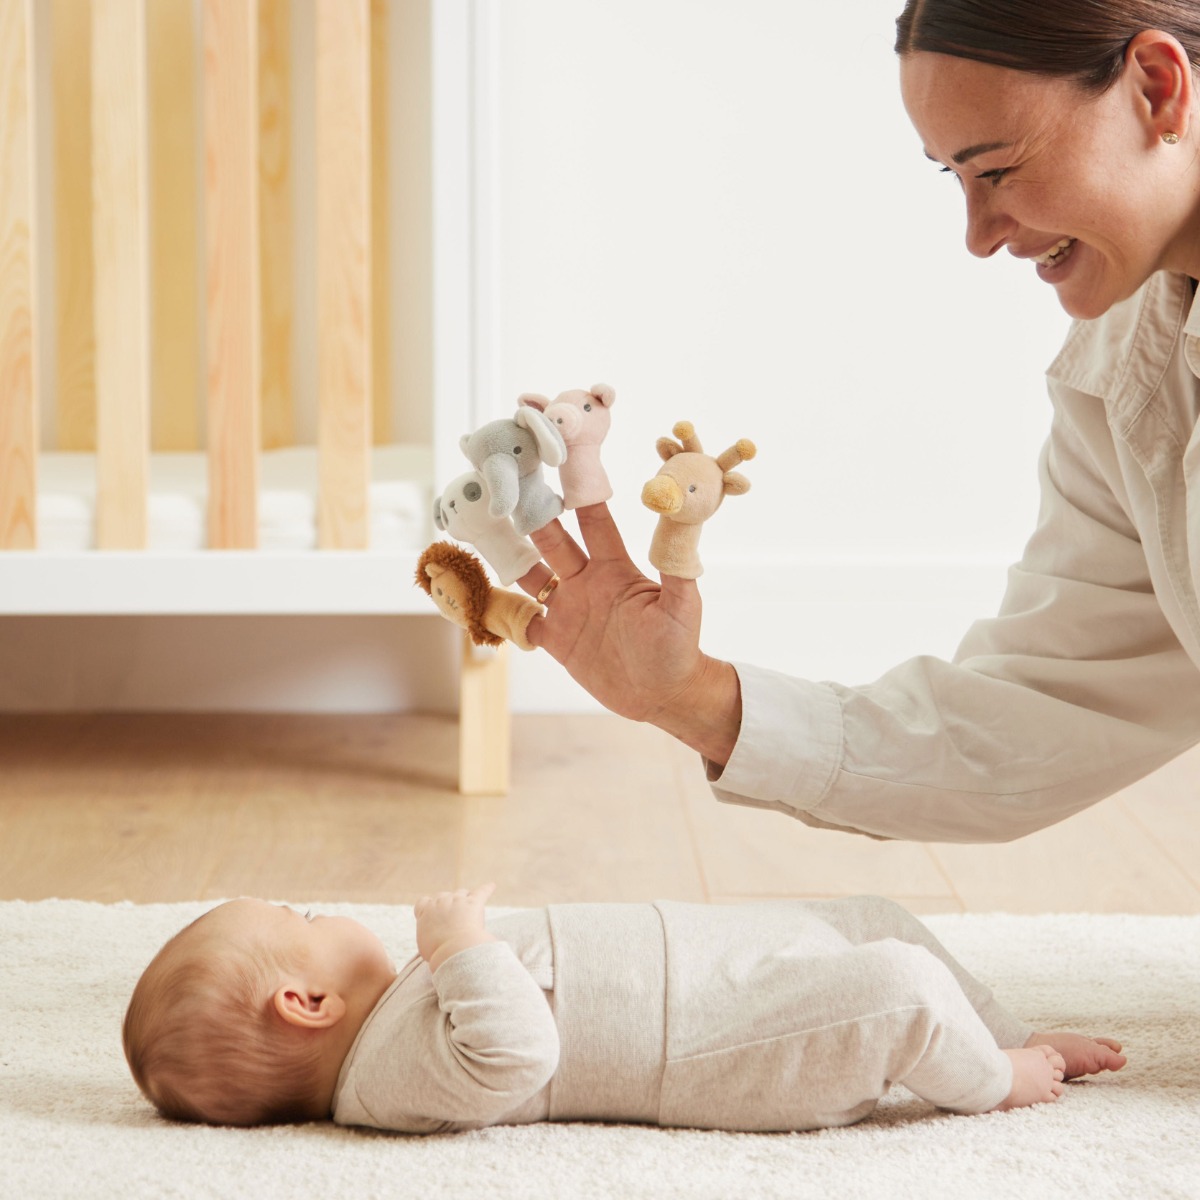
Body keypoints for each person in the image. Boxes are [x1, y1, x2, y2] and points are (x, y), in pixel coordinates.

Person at [512, 0, 1200, 845]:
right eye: (954, 177)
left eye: (997, 170)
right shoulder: (1127, 369)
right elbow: (1035, 716)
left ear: (1158, 89)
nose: (979, 237)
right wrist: (689, 694)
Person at [122, 885, 1125, 1132]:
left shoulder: (387, 1022)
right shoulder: (384, 1082)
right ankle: (992, 1082)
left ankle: (1003, 1033)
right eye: (302, 915)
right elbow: (516, 1055)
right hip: (712, 1045)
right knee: (897, 986)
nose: (324, 909)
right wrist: (463, 949)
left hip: (707, 974)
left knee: (865, 914)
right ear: (305, 1002)